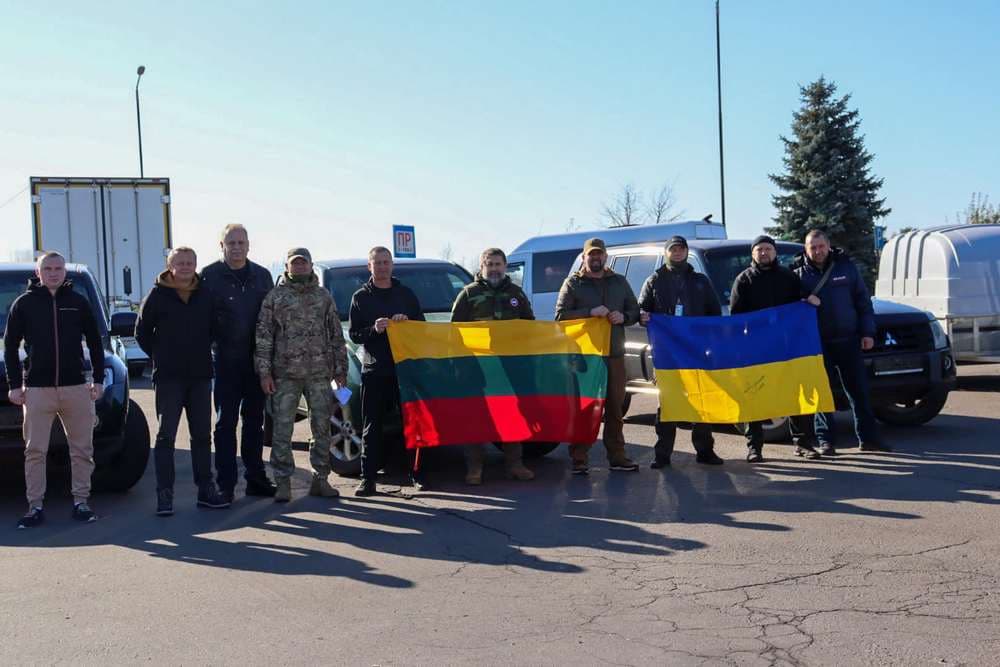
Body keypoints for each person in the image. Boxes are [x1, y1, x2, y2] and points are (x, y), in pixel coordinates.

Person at [4, 252, 104, 528]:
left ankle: (81, 502)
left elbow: (95, 342)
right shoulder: (23, 304)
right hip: (37, 389)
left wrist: (97, 380)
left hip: (76, 388)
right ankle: (35, 507)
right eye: (47, 268)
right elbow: (10, 347)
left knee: (82, 449)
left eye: (58, 268)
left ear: (64, 272)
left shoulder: (78, 303)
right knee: (35, 450)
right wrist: (15, 385)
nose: (53, 273)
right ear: (38, 273)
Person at [137, 247, 228, 515]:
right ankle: (165, 495)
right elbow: (141, 332)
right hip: (169, 378)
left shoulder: (205, 293)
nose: (186, 267)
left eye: (190, 262)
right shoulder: (157, 294)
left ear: (196, 265)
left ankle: (206, 491)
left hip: (200, 376)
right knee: (166, 437)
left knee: (202, 436)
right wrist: (160, 355)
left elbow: (215, 328)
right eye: (180, 263)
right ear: (170, 266)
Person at [255, 247, 347, 503]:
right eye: (294, 263)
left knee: (322, 429)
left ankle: (321, 479)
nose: (299, 267)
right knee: (282, 430)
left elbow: (336, 335)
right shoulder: (275, 298)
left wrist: (341, 370)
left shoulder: (323, 297)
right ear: (287, 267)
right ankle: (283, 481)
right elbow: (263, 338)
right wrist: (264, 373)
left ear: (310, 265)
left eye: (303, 263)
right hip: (285, 374)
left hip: (319, 374)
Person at [791, 229, 889, 455]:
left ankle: (869, 439)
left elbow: (863, 302)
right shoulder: (797, 274)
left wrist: (868, 333)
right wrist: (804, 298)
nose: (817, 251)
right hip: (817, 344)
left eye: (821, 246)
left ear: (828, 245)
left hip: (849, 339)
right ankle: (826, 441)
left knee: (859, 392)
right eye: (812, 247)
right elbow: (789, 305)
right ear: (805, 249)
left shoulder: (846, 268)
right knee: (822, 394)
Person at [200, 224, 276, 502]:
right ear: (221, 246)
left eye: (241, 242)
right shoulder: (209, 276)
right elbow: (201, 320)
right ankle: (226, 483)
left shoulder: (262, 276)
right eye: (230, 243)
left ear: (248, 245)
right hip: (225, 362)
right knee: (225, 424)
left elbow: (271, 320)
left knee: (255, 423)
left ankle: (256, 478)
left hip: (256, 363)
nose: (236, 247)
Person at [729, 235, 821, 462]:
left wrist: (810, 300)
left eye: (768, 249)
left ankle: (803, 443)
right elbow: (735, 318)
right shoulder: (744, 280)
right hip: (756, 351)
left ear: (774, 252)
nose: (763, 253)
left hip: (787, 348)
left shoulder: (787, 277)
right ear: (753, 254)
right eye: (759, 250)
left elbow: (802, 300)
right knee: (755, 399)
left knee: (795, 395)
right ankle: (754, 447)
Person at [555, 238, 640, 475]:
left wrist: (624, 317)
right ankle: (579, 457)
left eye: (599, 254)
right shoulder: (573, 283)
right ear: (584, 258)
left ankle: (617, 456)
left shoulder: (619, 282)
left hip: (614, 353)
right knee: (585, 408)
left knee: (615, 408)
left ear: (605, 257)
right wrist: (589, 313)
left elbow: (634, 310)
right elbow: (560, 316)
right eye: (591, 255)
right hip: (585, 358)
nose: (595, 258)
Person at [451, 247, 536, 485]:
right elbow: (454, 332)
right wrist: (460, 365)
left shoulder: (517, 294)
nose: (495, 269)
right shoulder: (468, 294)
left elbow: (529, 328)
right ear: (482, 267)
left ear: (505, 266)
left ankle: (515, 464)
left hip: (509, 367)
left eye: (498, 264)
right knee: (476, 416)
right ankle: (475, 468)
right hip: (477, 367)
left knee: (511, 414)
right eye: (490, 264)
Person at [638, 235, 725, 468]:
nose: (677, 253)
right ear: (666, 253)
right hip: (667, 354)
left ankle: (705, 451)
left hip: (696, 352)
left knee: (701, 402)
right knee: (668, 404)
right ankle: (662, 455)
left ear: (686, 252)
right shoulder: (654, 281)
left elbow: (714, 314)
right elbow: (641, 309)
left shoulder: (700, 281)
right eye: (673, 249)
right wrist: (643, 316)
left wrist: (710, 343)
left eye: (681, 249)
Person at [348, 246, 425, 496]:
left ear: (392, 265)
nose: (382, 267)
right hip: (375, 369)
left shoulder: (406, 294)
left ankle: (416, 474)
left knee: (411, 422)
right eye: (377, 263)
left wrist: (408, 323)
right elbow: (355, 335)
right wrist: (374, 329)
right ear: (369, 266)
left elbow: (422, 329)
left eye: (385, 262)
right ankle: (367, 478)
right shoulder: (360, 297)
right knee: (372, 426)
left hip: (404, 369)